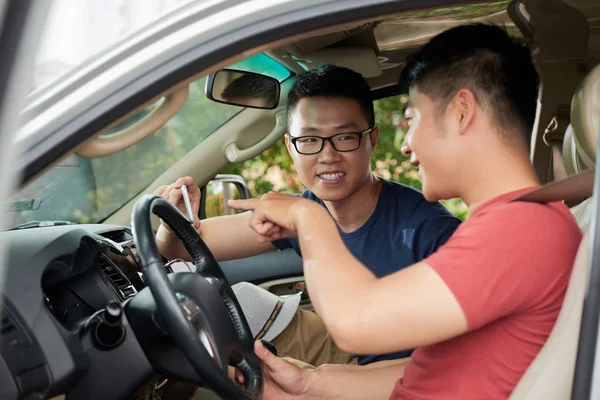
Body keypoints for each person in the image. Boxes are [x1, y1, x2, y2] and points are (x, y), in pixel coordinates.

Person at [228, 24, 582, 399]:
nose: (407, 146)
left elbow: (353, 322)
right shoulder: (515, 223)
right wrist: (308, 384)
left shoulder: (520, 230)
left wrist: (308, 217)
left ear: (462, 111)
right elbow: (430, 368)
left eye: (412, 119)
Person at [155, 64, 461, 368]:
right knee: (236, 306)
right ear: (290, 147)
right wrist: (174, 223)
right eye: (310, 140)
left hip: (410, 374)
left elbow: (452, 366)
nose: (328, 156)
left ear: (372, 139)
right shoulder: (307, 209)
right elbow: (182, 247)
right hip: (352, 354)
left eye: (344, 137)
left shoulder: (429, 232)